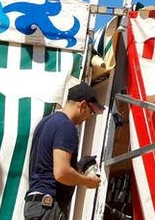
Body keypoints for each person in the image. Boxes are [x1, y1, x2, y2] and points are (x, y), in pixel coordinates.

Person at [24, 82, 104, 219]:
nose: (90, 116)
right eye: (91, 111)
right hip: (49, 206)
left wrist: (77, 167)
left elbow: (47, 165)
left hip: (37, 205)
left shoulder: (46, 122)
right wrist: (87, 181)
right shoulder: (67, 127)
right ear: (82, 105)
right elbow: (61, 173)